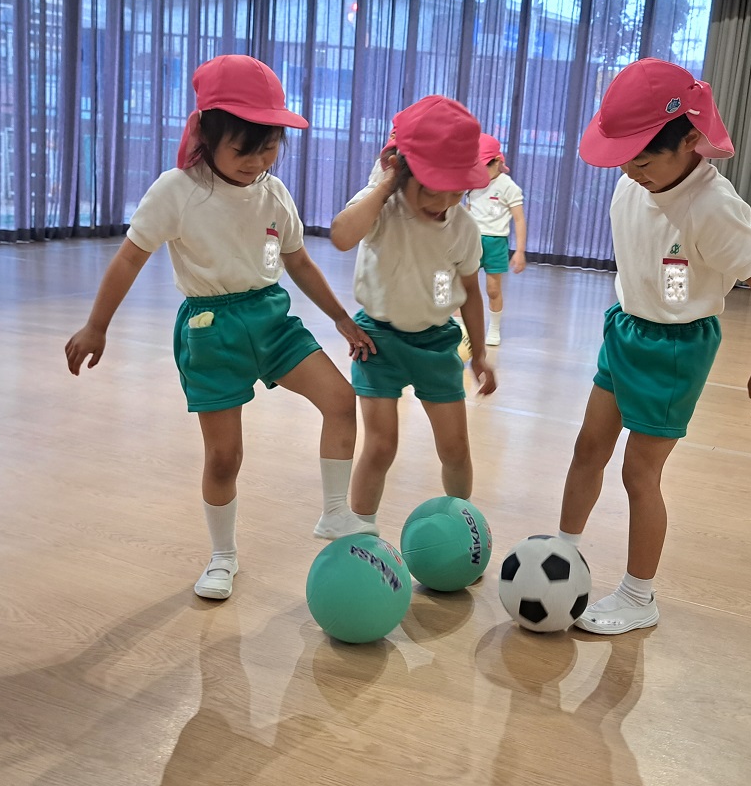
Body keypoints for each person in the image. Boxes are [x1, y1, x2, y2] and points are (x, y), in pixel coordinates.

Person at [64, 55, 377, 601]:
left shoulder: (273, 193)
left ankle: (334, 513)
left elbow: (299, 261)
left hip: (271, 317)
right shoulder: (177, 190)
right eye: (243, 149)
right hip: (211, 330)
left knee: (339, 399)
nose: (257, 161)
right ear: (207, 136)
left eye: (269, 147)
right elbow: (130, 258)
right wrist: (97, 325)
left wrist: (341, 318)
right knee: (224, 456)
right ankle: (223, 557)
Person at [553, 59, 751, 635]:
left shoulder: (712, 205)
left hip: (676, 347)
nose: (632, 172)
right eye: (624, 160)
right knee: (588, 448)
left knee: (639, 473)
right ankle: (561, 553)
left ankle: (639, 597)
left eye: (643, 160)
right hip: (626, 329)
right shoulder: (633, 184)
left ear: (688, 141)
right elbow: (660, 264)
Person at [330, 95, 497, 525]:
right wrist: (388, 183)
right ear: (401, 170)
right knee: (380, 446)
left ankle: (464, 526)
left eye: (457, 191)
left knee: (455, 448)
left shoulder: (462, 227)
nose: (443, 202)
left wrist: (479, 355)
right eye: (430, 188)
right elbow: (342, 237)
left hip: (436, 343)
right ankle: (360, 532)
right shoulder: (382, 207)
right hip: (377, 341)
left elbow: (471, 292)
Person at [465, 134, 527, 346]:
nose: (480, 172)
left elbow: (519, 219)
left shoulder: (508, 187)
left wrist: (520, 251)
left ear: (498, 162)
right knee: (464, 287)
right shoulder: (472, 183)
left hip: (496, 243)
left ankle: (494, 328)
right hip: (472, 241)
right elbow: (467, 210)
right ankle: (462, 329)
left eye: (484, 167)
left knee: (493, 289)